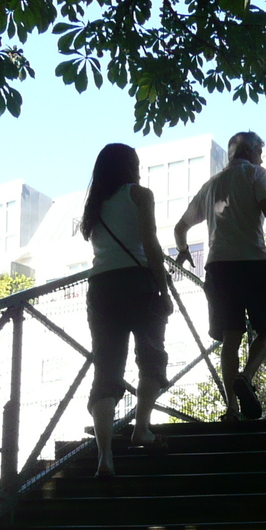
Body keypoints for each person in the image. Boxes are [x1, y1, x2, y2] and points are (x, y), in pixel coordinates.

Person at [173, 131, 266, 422]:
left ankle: (231, 409)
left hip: (218, 269)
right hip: (253, 263)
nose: (261, 156)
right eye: (261, 150)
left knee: (230, 338)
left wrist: (183, 251)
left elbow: (180, 228)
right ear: (252, 151)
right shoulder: (257, 174)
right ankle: (246, 377)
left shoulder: (210, 186)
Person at [79, 143, 172, 478]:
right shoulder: (140, 195)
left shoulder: (94, 205)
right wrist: (163, 289)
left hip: (101, 288)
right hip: (139, 284)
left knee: (106, 370)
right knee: (151, 356)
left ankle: (105, 456)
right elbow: (150, 244)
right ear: (130, 166)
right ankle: (142, 428)